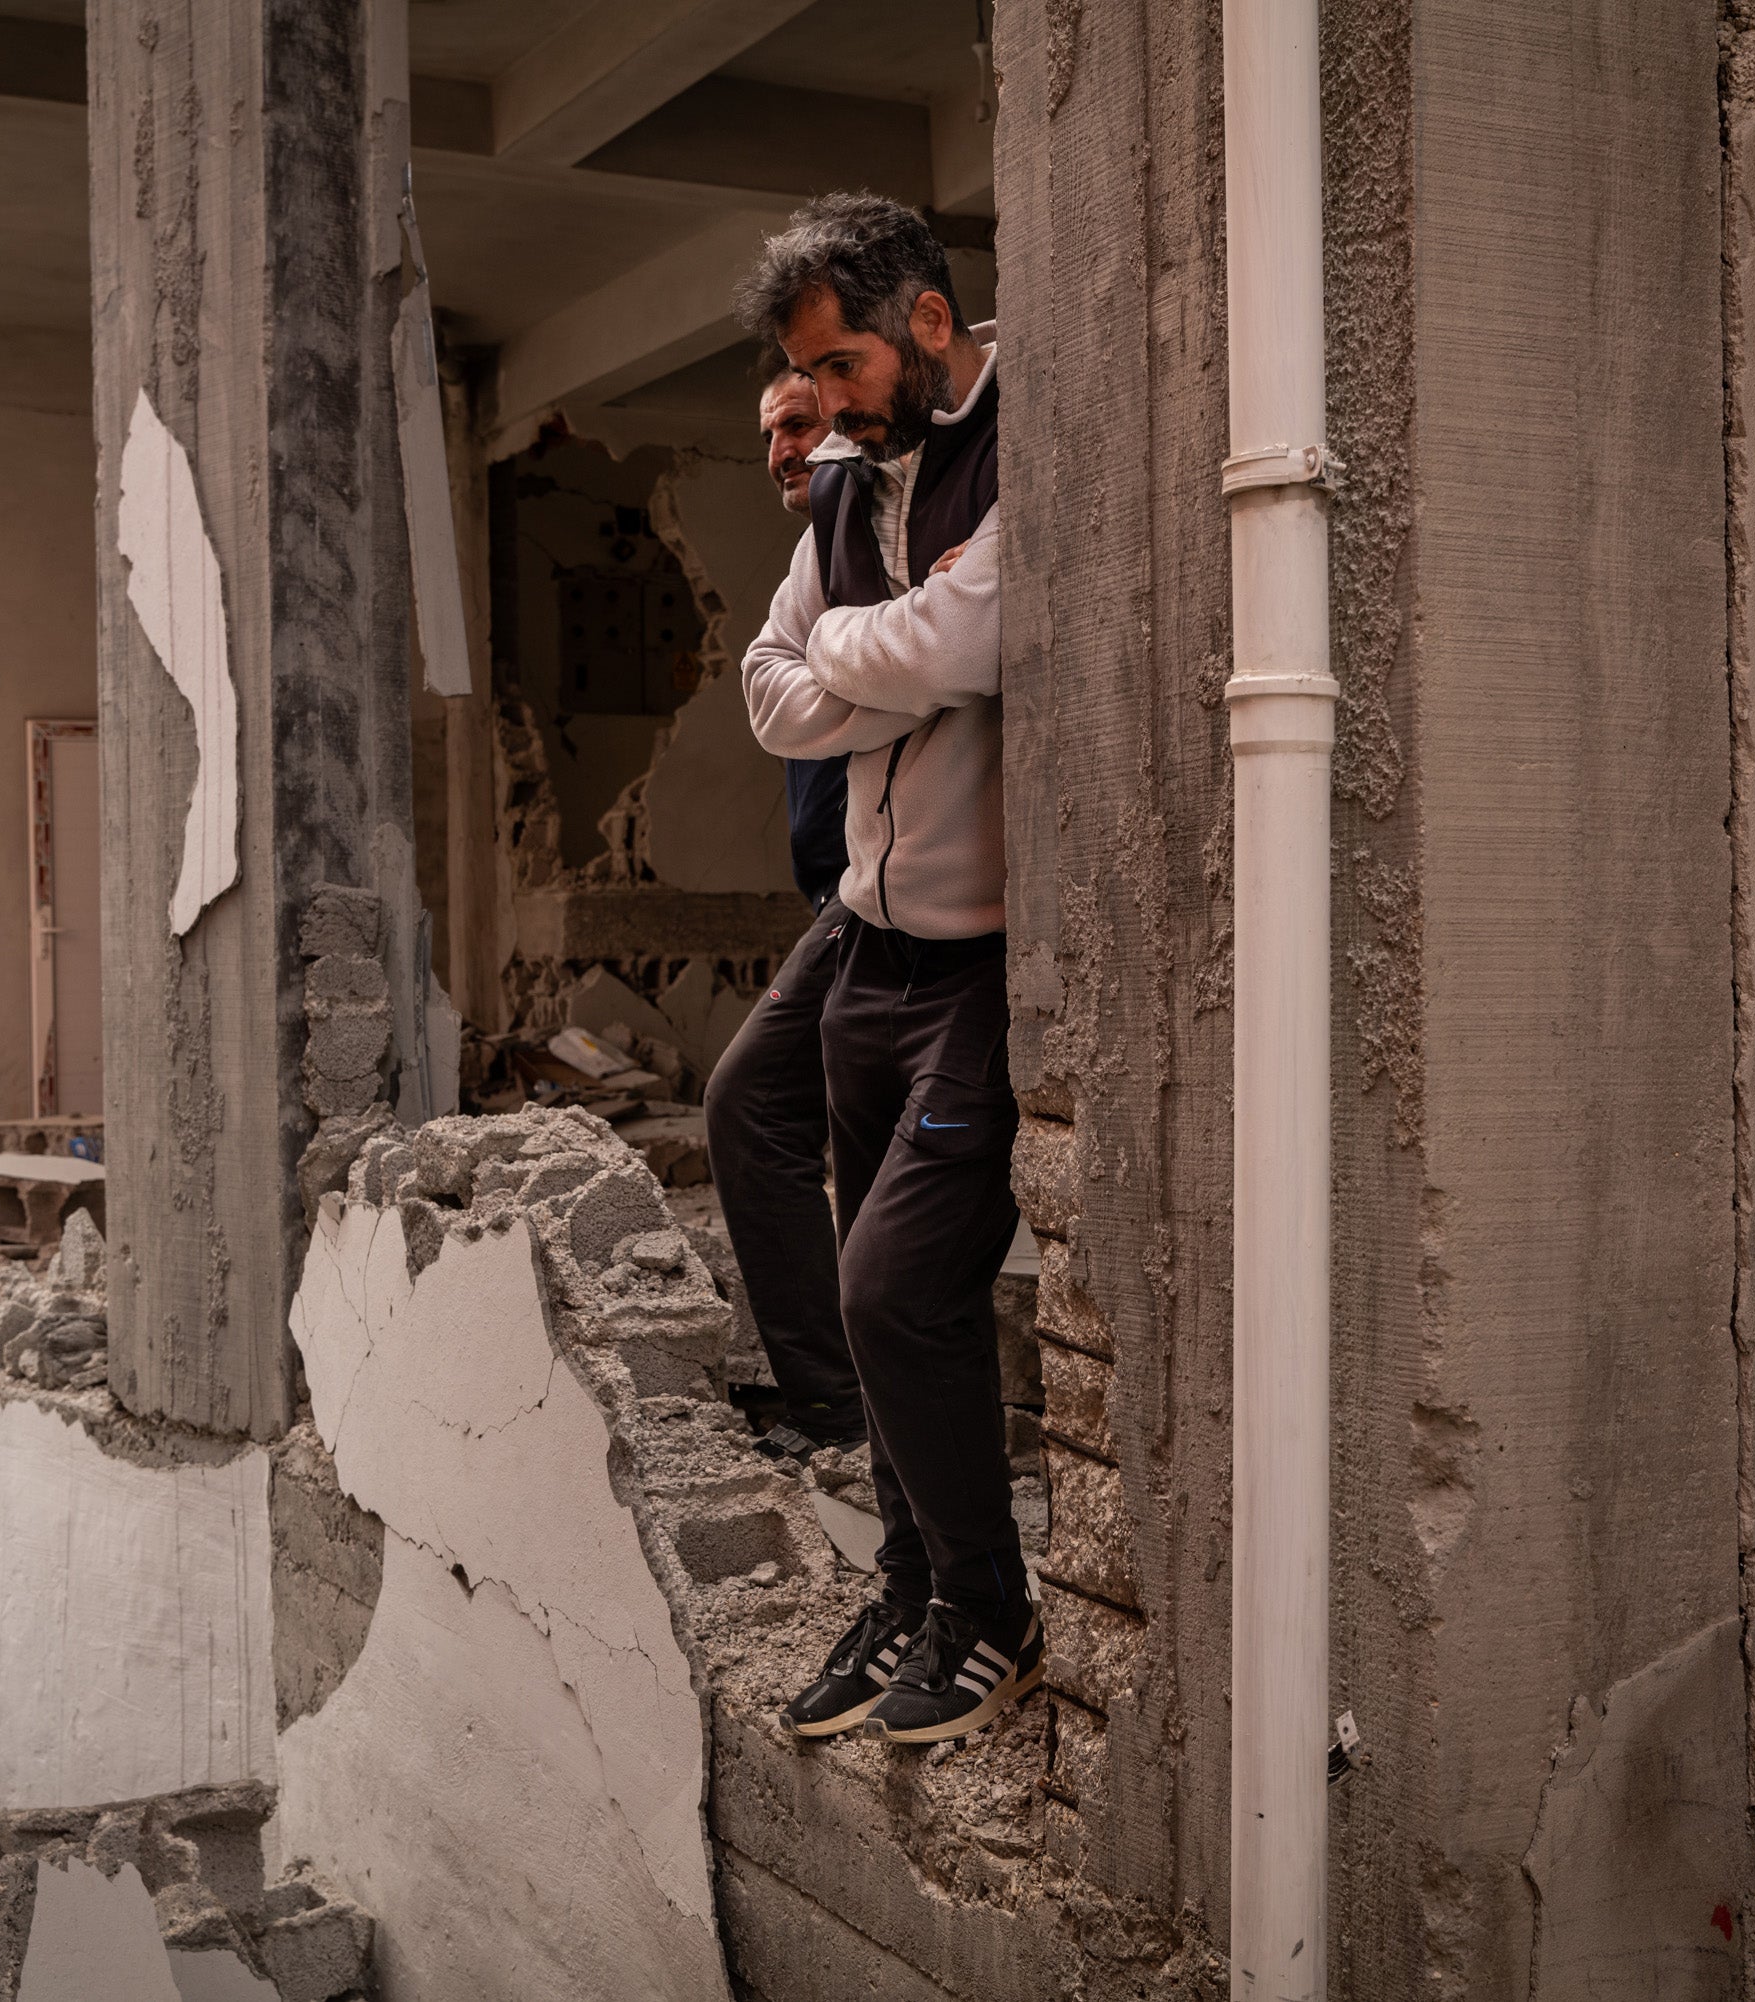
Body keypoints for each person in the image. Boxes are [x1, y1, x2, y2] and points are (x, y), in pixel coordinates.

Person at [729, 193, 1036, 1746]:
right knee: (875, 1307)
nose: (827, 412)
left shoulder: (1037, 429)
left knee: (896, 1288)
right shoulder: (852, 486)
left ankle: (992, 1604)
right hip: (870, 950)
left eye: (841, 368)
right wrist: (895, 657)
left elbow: (963, 648)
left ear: (927, 319)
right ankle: (912, 1582)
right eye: (810, 379)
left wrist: (885, 659)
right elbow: (771, 690)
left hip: (986, 970)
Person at [702, 374, 867, 1460]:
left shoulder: (874, 552)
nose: (778, 450)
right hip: (844, 900)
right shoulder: (811, 567)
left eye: (799, 424)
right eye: (767, 432)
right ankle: (852, 1404)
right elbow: (769, 694)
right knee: (818, 1133)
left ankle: (837, 1406)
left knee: (750, 1106)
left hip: (882, 901)